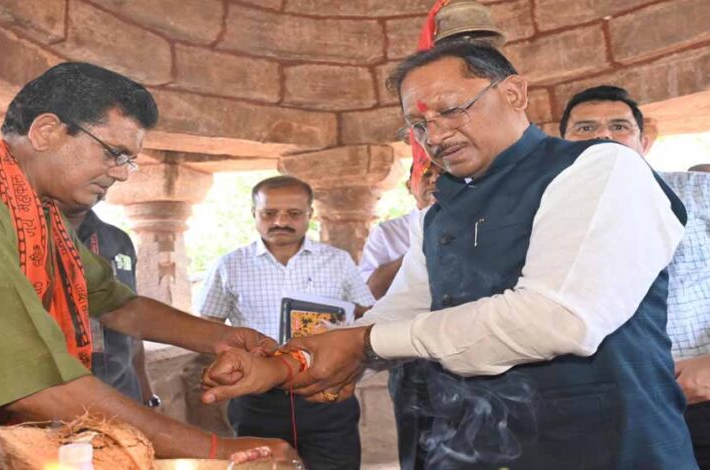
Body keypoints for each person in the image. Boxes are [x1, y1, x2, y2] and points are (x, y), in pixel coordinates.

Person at [200, 41, 699, 469]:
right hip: (461, 445)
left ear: (514, 93)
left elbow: (558, 319)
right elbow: (399, 312)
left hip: (596, 446)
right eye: (418, 124)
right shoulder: (439, 213)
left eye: (452, 109)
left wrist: (365, 341)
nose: (435, 136)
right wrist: (288, 363)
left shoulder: (600, 169)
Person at [0, 61, 296, 467]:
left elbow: (115, 303)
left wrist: (220, 339)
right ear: (46, 131)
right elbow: (33, 390)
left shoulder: (32, 212)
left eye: (129, 160)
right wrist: (219, 449)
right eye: (113, 153)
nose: (122, 174)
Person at [560, 84, 710, 469]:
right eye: (585, 128)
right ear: (561, 145)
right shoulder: (546, 214)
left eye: (619, 126)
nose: (604, 136)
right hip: (608, 409)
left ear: (644, 141)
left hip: (702, 393)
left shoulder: (699, 192)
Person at [195, 175, 375, 470]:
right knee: (262, 466)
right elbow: (208, 327)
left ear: (310, 214)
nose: (281, 221)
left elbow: (367, 315)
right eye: (269, 213)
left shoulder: (338, 261)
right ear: (254, 213)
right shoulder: (229, 265)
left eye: (293, 213)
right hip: (256, 396)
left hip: (326, 391)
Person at [58, 201, 158, 407]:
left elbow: (133, 329)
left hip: (123, 393)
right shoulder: (24, 238)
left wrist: (147, 397)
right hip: (60, 403)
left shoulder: (118, 241)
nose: (107, 185)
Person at [359, 163, 443, 300]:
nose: (435, 180)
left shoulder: (471, 225)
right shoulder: (387, 233)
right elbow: (370, 293)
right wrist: (418, 251)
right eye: (426, 174)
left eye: (443, 174)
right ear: (409, 186)